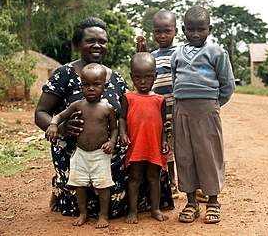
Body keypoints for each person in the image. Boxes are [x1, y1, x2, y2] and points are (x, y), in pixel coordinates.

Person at [34, 17, 174, 222]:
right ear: (78, 44)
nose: (97, 45)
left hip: (109, 151)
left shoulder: (116, 79)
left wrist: (157, 124)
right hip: (74, 152)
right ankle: (61, 188)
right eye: (90, 40)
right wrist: (61, 127)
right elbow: (41, 113)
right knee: (78, 202)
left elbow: (130, 112)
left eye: (102, 41)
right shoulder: (63, 74)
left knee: (140, 169)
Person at [171, 6, 235, 224]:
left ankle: (213, 201)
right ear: (183, 29)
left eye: (201, 29)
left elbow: (227, 85)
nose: (195, 34)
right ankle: (191, 202)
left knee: (208, 155)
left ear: (210, 29)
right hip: (181, 110)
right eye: (190, 29)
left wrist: (213, 105)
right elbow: (174, 82)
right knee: (185, 156)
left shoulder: (217, 53)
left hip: (207, 109)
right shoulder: (177, 54)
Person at [45, 63, 118, 228]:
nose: (91, 88)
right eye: (86, 85)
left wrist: (112, 141)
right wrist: (53, 125)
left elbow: (114, 129)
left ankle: (103, 215)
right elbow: (58, 116)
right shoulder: (78, 105)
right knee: (80, 185)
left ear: (105, 86)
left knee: (104, 185)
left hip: (101, 154)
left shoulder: (108, 109)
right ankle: (83, 213)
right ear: (81, 86)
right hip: (80, 154)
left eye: (96, 85)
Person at [119, 52, 170, 224]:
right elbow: (122, 118)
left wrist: (164, 141)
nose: (142, 81)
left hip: (153, 146)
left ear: (155, 76)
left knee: (154, 179)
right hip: (136, 146)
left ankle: (155, 209)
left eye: (148, 76)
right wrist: (122, 133)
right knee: (134, 179)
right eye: (138, 77)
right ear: (132, 76)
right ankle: (132, 211)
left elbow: (164, 123)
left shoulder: (160, 100)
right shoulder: (128, 98)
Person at [151, 9, 179, 199]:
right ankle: (172, 184)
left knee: (184, 149)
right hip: (160, 113)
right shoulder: (150, 56)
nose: (162, 35)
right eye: (158, 31)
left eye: (167, 31)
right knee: (166, 150)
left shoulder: (181, 53)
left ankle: (193, 183)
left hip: (179, 111)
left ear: (175, 31)